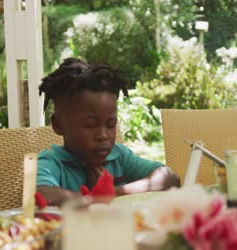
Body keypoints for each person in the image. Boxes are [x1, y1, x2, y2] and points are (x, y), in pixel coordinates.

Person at [36, 58, 180, 206]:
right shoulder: (52, 163)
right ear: (58, 124)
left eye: (111, 125)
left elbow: (169, 178)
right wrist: (98, 198)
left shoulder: (118, 157)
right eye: (90, 125)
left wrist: (112, 193)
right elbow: (43, 194)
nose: (103, 135)